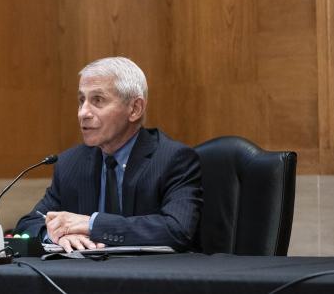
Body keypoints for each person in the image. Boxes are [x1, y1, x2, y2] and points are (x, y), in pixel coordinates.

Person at [15, 56, 202, 252]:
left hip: (150, 276)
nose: (83, 113)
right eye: (81, 100)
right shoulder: (71, 163)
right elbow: (30, 223)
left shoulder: (173, 159)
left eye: (98, 100)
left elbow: (178, 230)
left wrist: (92, 225)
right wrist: (54, 235)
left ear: (135, 109)